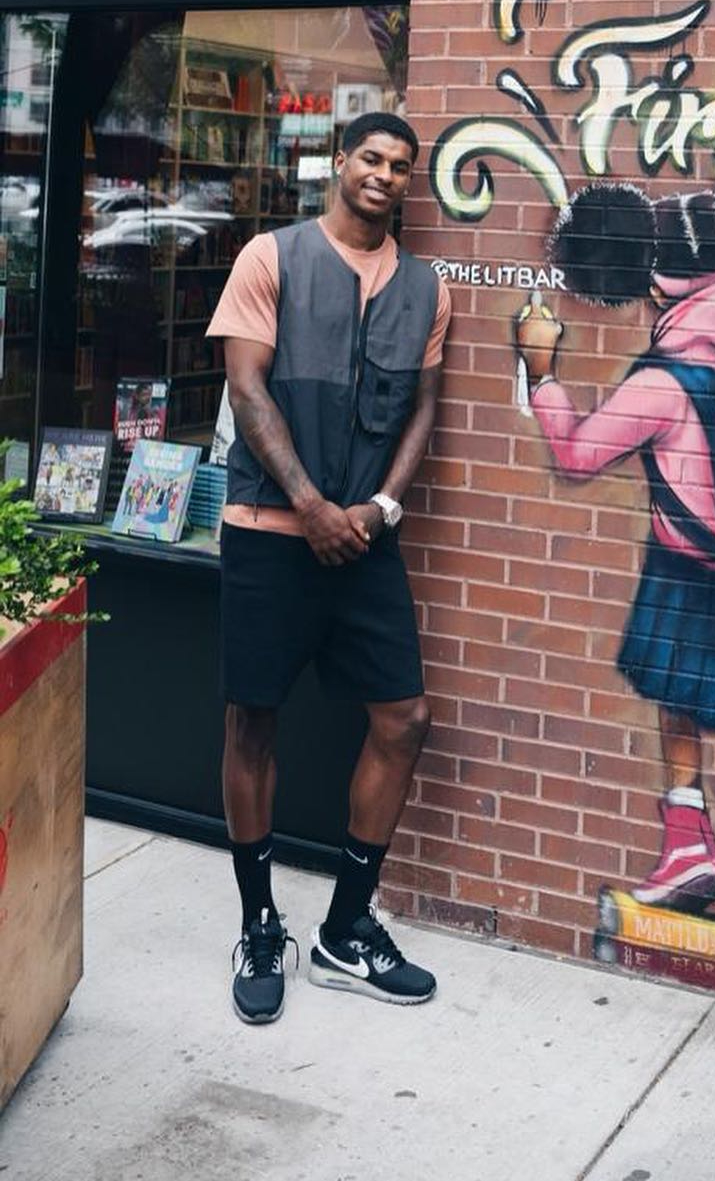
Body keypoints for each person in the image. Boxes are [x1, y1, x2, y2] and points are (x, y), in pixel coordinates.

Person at [514, 157, 715, 950]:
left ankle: (689, 843)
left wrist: (543, 371)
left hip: (683, 564)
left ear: (656, 285)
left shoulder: (664, 375)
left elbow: (582, 454)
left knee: (682, 705)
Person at [206, 111, 451, 1025]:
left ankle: (348, 927)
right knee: (253, 720)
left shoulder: (426, 288)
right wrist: (309, 504)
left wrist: (380, 508)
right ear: (340, 162)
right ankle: (259, 920)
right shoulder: (271, 257)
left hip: (365, 539)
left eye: (400, 166)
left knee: (405, 717)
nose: (385, 175)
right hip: (270, 528)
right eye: (371, 158)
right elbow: (246, 386)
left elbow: (425, 406)